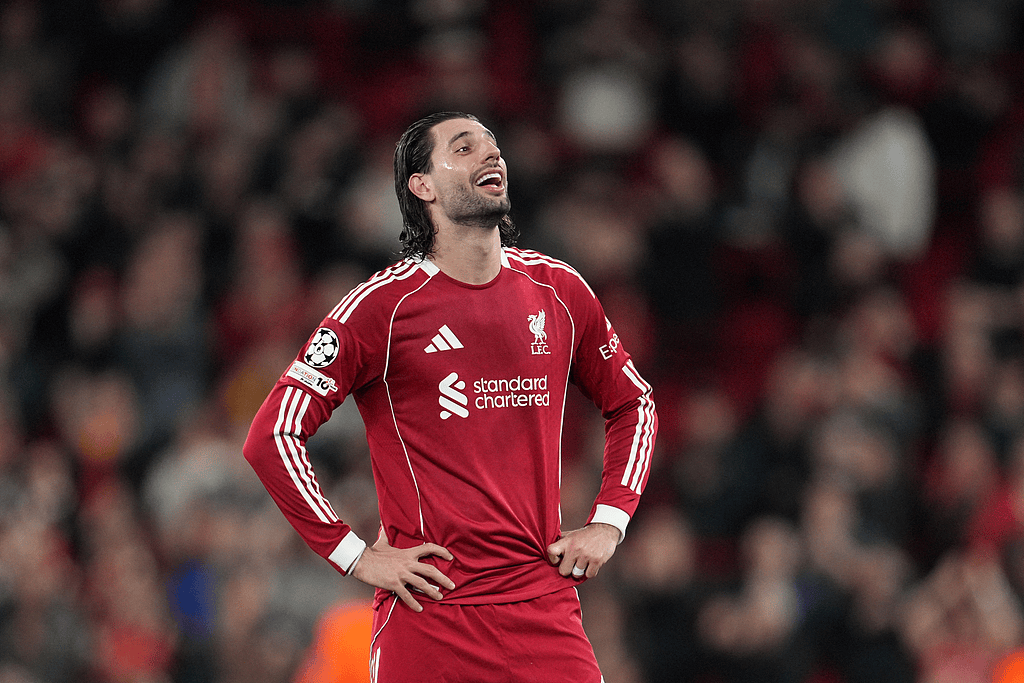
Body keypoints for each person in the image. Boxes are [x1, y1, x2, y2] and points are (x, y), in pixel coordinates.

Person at [243, 111, 658, 683]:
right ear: (423, 186)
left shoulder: (558, 291)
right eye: (464, 148)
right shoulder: (381, 307)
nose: (491, 156)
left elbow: (634, 404)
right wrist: (354, 555)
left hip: (543, 610)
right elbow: (273, 434)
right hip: (429, 614)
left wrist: (609, 521)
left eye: (493, 146)